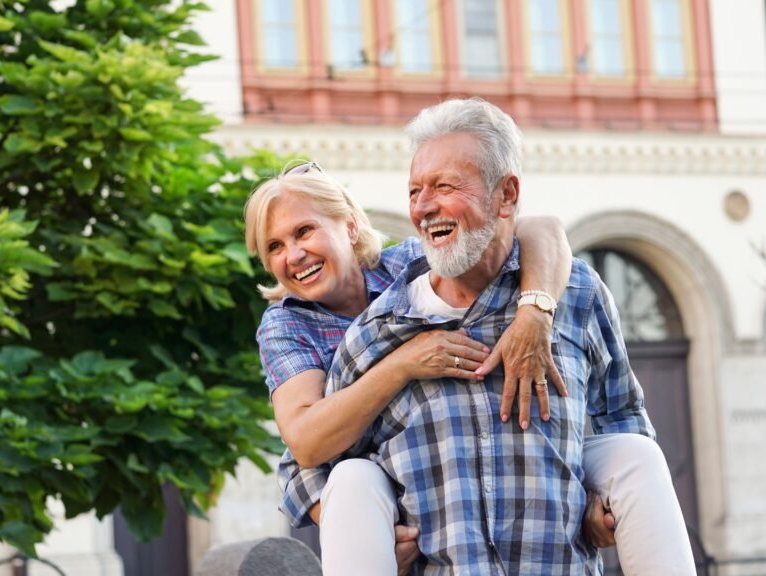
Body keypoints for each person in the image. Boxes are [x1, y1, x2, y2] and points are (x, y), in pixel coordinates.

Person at [277, 98, 696, 575]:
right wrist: (362, 533)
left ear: (506, 195)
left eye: (444, 186)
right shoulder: (377, 332)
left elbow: (622, 415)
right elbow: (308, 462)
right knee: (353, 476)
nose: (423, 206)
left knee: (636, 453)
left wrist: (604, 504)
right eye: (415, 190)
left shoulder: (576, 294)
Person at [246, 162, 578, 574]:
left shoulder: (410, 263)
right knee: (353, 477)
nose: (293, 256)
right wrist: (404, 364)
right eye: (274, 247)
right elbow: (306, 445)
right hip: (380, 493)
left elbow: (541, 229)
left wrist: (534, 312)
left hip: (457, 472)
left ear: (349, 227)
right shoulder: (286, 324)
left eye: (303, 232)